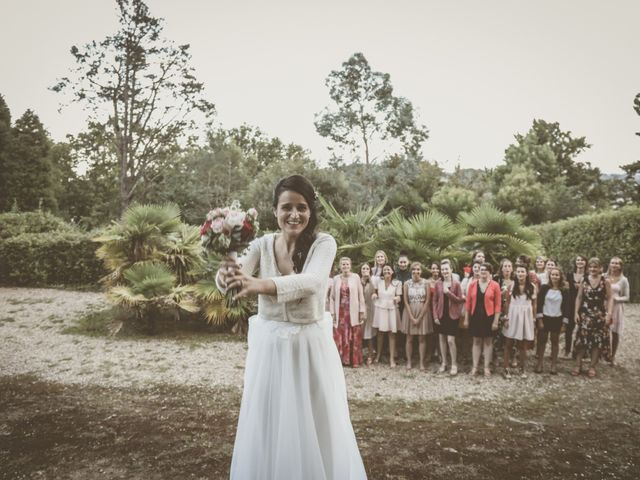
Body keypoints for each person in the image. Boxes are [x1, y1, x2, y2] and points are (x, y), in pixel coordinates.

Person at [219, 175, 367, 479]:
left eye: (301, 207)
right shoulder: (261, 244)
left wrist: (258, 284)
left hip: (309, 348)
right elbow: (227, 284)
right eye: (287, 207)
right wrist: (230, 247)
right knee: (269, 419)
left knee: (315, 420)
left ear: (310, 211)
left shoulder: (323, 243)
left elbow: (312, 282)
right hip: (271, 349)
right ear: (275, 210)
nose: (294, 214)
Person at [572, 257, 613, 378]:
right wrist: (576, 312)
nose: (593, 269)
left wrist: (609, 314)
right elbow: (579, 297)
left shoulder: (605, 281)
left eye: (595, 267)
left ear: (601, 268)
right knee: (582, 340)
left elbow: (610, 298)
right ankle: (578, 365)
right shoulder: (584, 279)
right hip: (585, 314)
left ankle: (592, 366)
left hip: (599, 315)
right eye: (590, 267)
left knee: (597, 341)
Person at [463, 263, 501, 377]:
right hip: (475, 317)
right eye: (481, 269)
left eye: (486, 270)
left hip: (489, 317)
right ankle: (475, 367)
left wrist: (495, 321)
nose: (483, 272)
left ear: (490, 272)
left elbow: (498, 305)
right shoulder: (473, 285)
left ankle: (486, 367)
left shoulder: (495, 285)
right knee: (476, 341)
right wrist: (466, 319)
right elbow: (468, 304)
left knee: (488, 342)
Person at [330, 257, 366, 368]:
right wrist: (332, 312)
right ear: (340, 266)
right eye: (343, 264)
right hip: (340, 311)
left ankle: (354, 360)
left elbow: (361, 295)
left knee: (354, 334)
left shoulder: (355, 277)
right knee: (340, 335)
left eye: (347, 264)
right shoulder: (336, 278)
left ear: (350, 266)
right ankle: (341, 360)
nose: (345, 266)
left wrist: (362, 310)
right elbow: (332, 297)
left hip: (353, 311)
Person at [535, 266, 570, 374]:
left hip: (557, 318)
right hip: (545, 317)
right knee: (542, 341)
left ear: (560, 277)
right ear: (549, 276)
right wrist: (539, 319)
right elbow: (539, 304)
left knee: (555, 341)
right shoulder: (545, 288)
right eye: (553, 274)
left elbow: (567, 307)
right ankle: (540, 363)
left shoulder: (564, 290)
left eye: (557, 275)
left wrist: (564, 323)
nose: (555, 276)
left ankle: (553, 365)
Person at [432, 260, 465, 375]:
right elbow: (434, 300)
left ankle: (454, 364)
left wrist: (449, 293)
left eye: (447, 269)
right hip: (441, 315)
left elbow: (461, 300)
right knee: (442, 340)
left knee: (450, 340)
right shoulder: (438, 283)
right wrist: (435, 316)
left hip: (452, 315)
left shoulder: (456, 284)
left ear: (451, 270)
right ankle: (444, 363)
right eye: (443, 269)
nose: (445, 271)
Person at [401, 262, 432, 370]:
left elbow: (428, 300)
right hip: (410, 311)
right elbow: (405, 300)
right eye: (413, 270)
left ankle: (421, 362)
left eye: (418, 269)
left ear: (421, 271)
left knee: (422, 338)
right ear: (411, 271)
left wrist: (419, 318)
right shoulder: (406, 283)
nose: (416, 272)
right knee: (409, 338)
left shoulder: (426, 283)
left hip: (423, 311)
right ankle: (409, 361)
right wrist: (411, 317)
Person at [372, 264, 402, 367]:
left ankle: (391, 358)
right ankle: (378, 355)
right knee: (380, 333)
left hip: (392, 309)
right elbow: (375, 292)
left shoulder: (397, 283)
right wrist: (374, 294)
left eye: (388, 269)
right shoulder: (378, 282)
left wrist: (397, 299)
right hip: (380, 308)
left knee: (391, 334)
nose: (386, 271)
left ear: (392, 272)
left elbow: (399, 296)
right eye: (384, 270)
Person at [605, 256, 630, 366]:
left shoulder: (623, 280)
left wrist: (617, 299)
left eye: (617, 263)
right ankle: (602, 353)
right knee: (602, 331)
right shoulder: (604, 276)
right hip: (604, 306)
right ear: (609, 264)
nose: (614, 265)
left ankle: (612, 356)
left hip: (616, 308)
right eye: (612, 263)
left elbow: (627, 297)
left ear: (620, 266)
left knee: (615, 333)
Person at [564, 255, 587, 359]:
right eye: (578, 260)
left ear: (585, 262)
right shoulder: (569, 275)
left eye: (582, 260)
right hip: (570, 303)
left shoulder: (588, 276)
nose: (580, 262)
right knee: (569, 328)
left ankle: (580, 351)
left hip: (584, 304)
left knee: (583, 328)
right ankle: (567, 350)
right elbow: (565, 288)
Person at [360, 263, 377, 365]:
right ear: (360, 270)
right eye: (363, 268)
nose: (365, 270)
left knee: (369, 333)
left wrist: (369, 278)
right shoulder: (357, 280)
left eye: (367, 268)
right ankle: (359, 354)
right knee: (359, 333)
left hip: (370, 309)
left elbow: (374, 291)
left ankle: (371, 354)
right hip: (359, 309)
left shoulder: (372, 281)